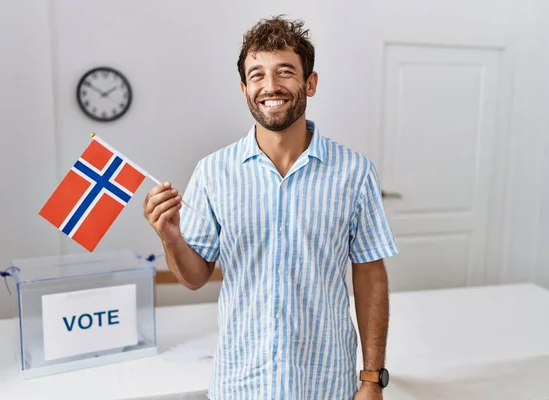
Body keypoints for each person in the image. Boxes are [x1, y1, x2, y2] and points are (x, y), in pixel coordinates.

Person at [143, 15, 399, 400]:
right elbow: (195, 276)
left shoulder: (355, 173)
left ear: (310, 83)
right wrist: (170, 236)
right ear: (244, 89)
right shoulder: (213, 172)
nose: (271, 85)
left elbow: (370, 277)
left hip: (326, 382)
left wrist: (371, 378)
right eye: (257, 74)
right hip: (240, 382)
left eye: (285, 71)